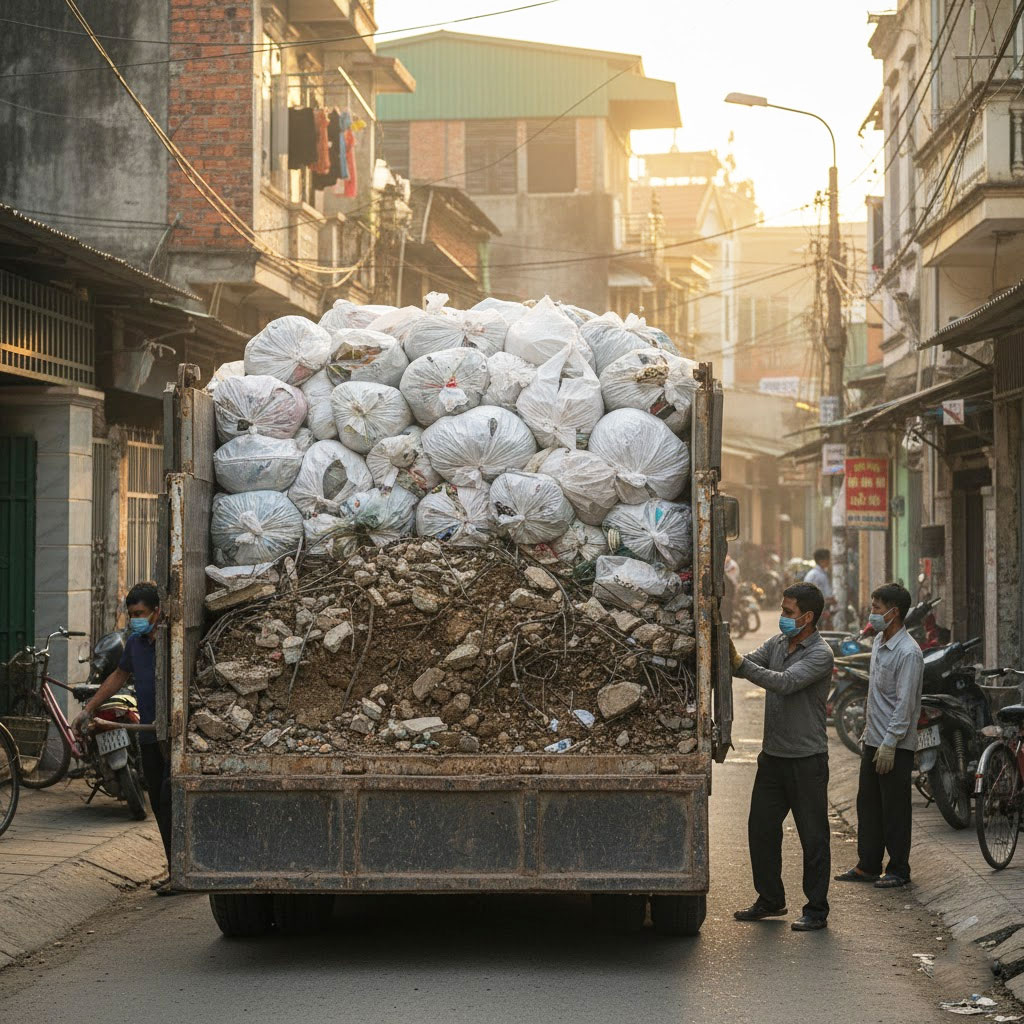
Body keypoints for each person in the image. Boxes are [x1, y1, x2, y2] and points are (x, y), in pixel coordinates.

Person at [729, 582, 835, 931]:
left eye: (788, 612)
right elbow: (742, 666)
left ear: (808, 617)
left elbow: (785, 682)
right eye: (783, 610)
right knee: (761, 829)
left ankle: (816, 909)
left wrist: (740, 663)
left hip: (807, 760)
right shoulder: (776, 643)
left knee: (813, 837)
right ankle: (771, 899)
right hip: (773, 757)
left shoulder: (820, 654)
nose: (782, 617)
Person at [73, 582, 174, 895]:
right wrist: (90, 708)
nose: (135, 619)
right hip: (148, 734)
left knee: (173, 799)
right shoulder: (135, 643)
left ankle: (186, 868)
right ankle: (175, 870)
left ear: (157, 611)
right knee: (158, 801)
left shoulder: (172, 641)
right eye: (131, 615)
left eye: (140, 613)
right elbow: (119, 675)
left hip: (174, 735)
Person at [835, 582, 923, 889]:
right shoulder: (879, 644)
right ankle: (868, 865)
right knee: (868, 804)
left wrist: (889, 742)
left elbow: (905, 703)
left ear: (893, 612)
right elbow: (876, 696)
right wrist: (869, 737)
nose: (872, 614)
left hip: (894, 744)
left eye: (876, 608)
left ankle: (899, 868)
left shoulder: (908, 652)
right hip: (873, 740)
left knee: (895, 808)